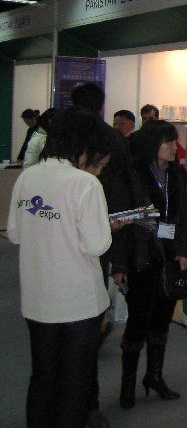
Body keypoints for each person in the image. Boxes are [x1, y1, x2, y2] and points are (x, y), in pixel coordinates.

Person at [7, 107, 114, 428]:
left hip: (37, 298)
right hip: (77, 303)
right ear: (83, 146)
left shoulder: (27, 177)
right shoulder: (85, 184)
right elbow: (97, 245)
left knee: (42, 378)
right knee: (74, 384)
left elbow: (14, 233)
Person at [71, 82, 147, 427]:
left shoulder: (63, 138)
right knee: (88, 322)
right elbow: (121, 197)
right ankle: (88, 405)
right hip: (99, 237)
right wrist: (120, 255)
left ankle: (72, 404)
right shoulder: (109, 139)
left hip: (65, 242)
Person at [114, 120, 187, 409]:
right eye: (169, 142)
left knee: (162, 318)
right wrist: (119, 265)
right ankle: (127, 384)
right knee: (137, 321)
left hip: (170, 257)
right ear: (152, 145)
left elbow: (186, 215)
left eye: (175, 141)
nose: (175, 147)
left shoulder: (177, 174)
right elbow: (120, 223)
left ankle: (154, 376)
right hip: (140, 256)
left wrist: (184, 250)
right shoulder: (131, 176)